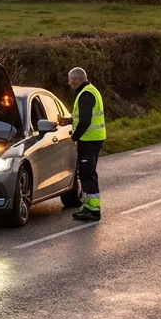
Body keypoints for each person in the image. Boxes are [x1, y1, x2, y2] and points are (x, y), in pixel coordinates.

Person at [67, 67, 105, 222]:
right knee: (86, 173)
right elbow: (81, 117)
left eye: (71, 79)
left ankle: (94, 210)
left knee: (87, 174)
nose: (69, 83)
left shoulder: (86, 95)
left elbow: (85, 121)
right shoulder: (89, 90)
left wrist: (75, 137)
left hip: (89, 140)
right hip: (93, 139)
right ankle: (88, 207)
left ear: (78, 79)